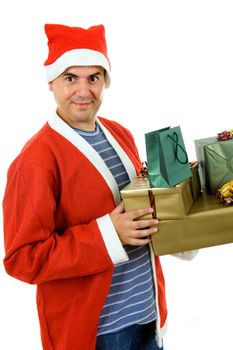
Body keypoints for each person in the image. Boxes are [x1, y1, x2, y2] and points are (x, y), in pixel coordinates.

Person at [2, 23, 195, 350]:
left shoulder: (120, 134)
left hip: (149, 317)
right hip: (98, 334)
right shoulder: (35, 161)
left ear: (105, 80)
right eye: (70, 78)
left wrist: (185, 198)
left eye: (93, 77)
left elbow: (142, 213)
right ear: (51, 82)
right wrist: (108, 234)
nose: (83, 91)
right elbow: (23, 258)